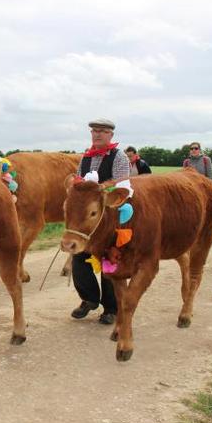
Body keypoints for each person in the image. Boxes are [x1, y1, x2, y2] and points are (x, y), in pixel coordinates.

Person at [70, 118, 130, 324]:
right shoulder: (85, 157)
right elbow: (79, 183)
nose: (97, 134)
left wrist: (98, 190)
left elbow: (122, 184)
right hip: (88, 220)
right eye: (94, 131)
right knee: (78, 256)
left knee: (109, 261)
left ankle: (111, 308)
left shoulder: (118, 156)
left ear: (111, 135)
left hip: (110, 217)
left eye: (103, 131)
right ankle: (89, 299)